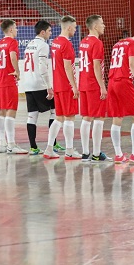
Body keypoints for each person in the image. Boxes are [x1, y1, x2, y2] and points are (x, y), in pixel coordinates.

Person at [107, 32, 134, 164]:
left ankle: (119, 155)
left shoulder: (118, 43)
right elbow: (132, 63)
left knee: (117, 117)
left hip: (112, 81)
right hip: (123, 81)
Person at [0, 20, 28, 154]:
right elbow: (13, 56)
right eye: (15, 28)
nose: (17, 30)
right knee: (11, 111)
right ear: (10, 30)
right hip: (9, 81)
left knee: (1, 112)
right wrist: (17, 71)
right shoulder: (12, 42)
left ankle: (2, 144)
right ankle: (11, 145)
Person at [22, 20, 63, 155]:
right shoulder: (43, 45)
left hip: (28, 84)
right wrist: (48, 86)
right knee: (55, 112)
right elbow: (42, 67)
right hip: (39, 83)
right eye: (49, 31)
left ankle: (33, 147)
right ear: (43, 32)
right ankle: (53, 144)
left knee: (32, 116)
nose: (51, 33)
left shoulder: (29, 45)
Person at [43, 15, 81, 159]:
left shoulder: (55, 42)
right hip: (66, 86)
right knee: (69, 117)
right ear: (69, 27)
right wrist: (74, 86)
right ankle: (69, 151)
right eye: (75, 27)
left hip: (57, 85)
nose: (75, 30)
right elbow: (67, 67)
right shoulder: (66, 44)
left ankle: (49, 148)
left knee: (58, 117)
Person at [79, 14, 110, 162]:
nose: (104, 26)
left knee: (86, 118)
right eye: (102, 23)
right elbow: (96, 67)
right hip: (93, 84)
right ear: (96, 26)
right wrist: (102, 86)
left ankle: (85, 153)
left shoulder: (83, 41)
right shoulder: (97, 43)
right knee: (99, 117)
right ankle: (96, 154)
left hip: (83, 83)